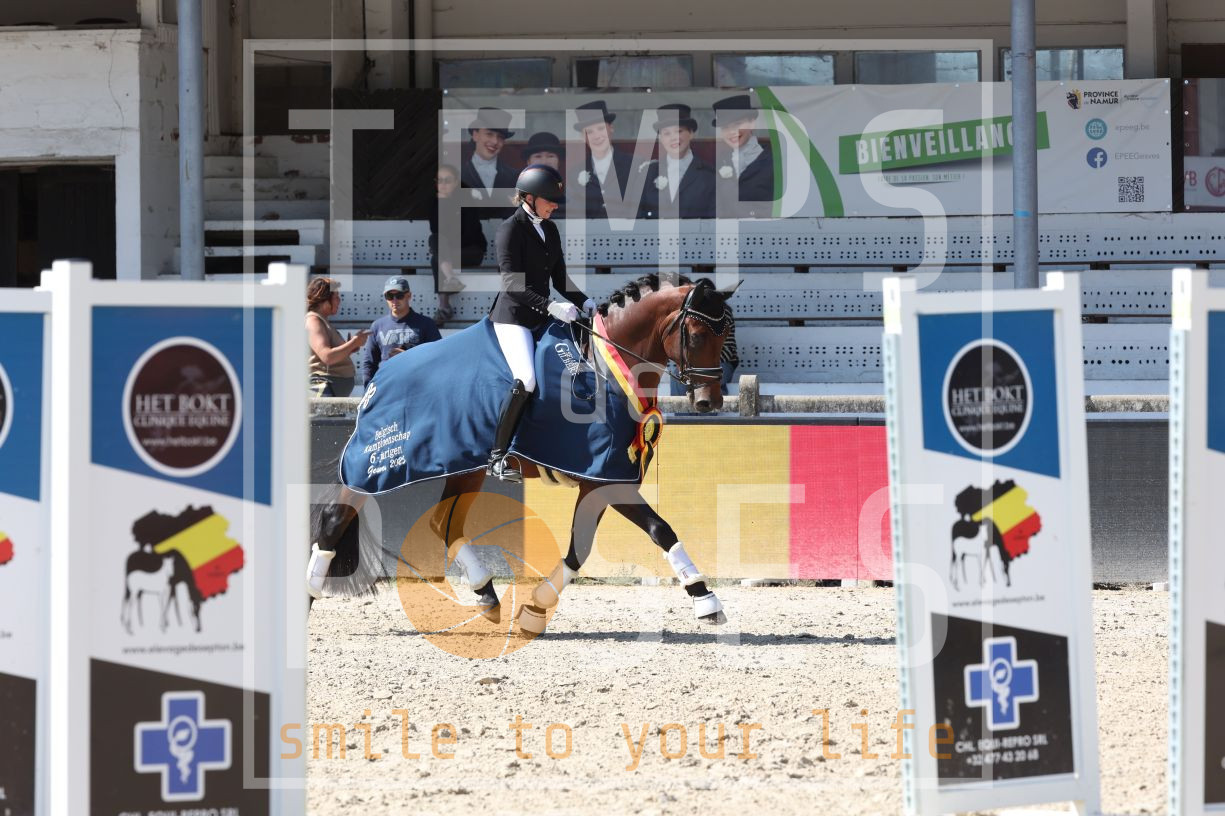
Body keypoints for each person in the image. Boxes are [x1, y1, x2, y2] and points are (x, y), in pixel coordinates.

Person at [486, 164, 594, 482]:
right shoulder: (510, 229)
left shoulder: (550, 229)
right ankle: (497, 457)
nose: (554, 206)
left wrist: (584, 301)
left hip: (541, 316)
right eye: (549, 200)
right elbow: (511, 284)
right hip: (514, 318)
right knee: (527, 378)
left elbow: (559, 277)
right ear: (529, 198)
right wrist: (550, 306)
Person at [429, 163, 488, 324]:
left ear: (456, 182)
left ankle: (444, 307)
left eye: (447, 180)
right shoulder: (437, 201)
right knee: (435, 241)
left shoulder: (466, 200)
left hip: (472, 251)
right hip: (448, 253)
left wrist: (446, 248)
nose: (443, 184)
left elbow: (470, 233)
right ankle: (449, 286)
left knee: (438, 256)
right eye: (439, 180)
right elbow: (435, 229)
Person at [639, 103, 716, 219]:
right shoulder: (648, 173)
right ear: (661, 138)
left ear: (691, 133)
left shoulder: (709, 175)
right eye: (667, 133)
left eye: (679, 131)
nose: (673, 138)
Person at [362, 276, 442, 382]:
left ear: (409, 296)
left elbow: (437, 357)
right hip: (388, 384)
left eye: (399, 295)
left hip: (417, 383)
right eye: (390, 296)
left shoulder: (426, 324)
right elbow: (369, 364)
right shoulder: (377, 326)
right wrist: (368, 388)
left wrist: (408, 358)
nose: (394, 300)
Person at [712, 94, 776, 218]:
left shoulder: (774, 161)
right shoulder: (721, 162)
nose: (732, 132)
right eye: (725, 127)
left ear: (752, 123)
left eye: (737, 124)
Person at [572, 100, 638, 219]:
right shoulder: (575, 173)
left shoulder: (635, 165)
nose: (596, 136)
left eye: (601, 128)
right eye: (589, 132)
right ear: (582, 136)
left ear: (611, 128)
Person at [306, 277, 369, 397]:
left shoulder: (322, 321)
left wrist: (350, 348)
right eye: (336, 297)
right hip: (323, 391)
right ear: (324, 299)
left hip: (329, 391)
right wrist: (353, 343)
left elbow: (331, 357)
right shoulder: (313, 321)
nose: (339, 301)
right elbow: (327, 356)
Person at [461, 106, 518, 218]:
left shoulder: (514, 176)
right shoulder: (458, 175)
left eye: (500, 137)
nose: (495, 141)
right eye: (489, 134)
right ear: (475, 135)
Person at [521, 132, 566, 218]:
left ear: (558, 162)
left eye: (550, 156)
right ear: (528, 162)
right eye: (538, 156)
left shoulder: (572, 193)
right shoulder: (518, 194)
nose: (544, 162)